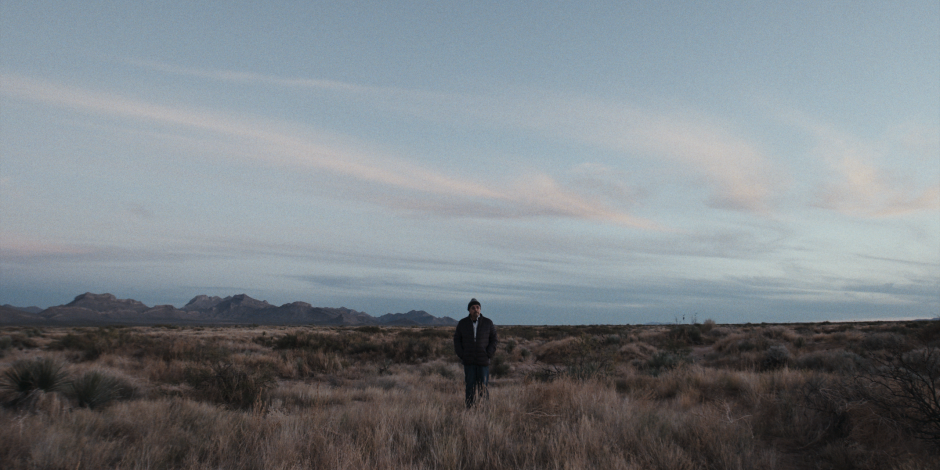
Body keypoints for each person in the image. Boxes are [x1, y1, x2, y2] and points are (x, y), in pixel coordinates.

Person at [453, 297, 498, 408]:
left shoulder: (488, 323)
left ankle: (483, 410)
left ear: (480, 309)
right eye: (473, 308)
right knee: (470, 387)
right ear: (469, 310)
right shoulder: (462, 323)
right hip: (469, 361)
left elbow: (494, 339)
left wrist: (489, 353)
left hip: (483, 361)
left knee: (483, 387)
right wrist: (462, 355)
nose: (476, 309)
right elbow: (457, 340)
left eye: (478, 307)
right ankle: (469, 410)